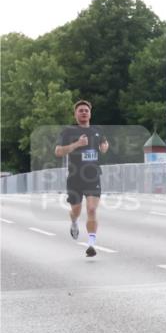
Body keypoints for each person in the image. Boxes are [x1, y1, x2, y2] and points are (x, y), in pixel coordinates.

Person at [54, 100, 109, 257]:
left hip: (93, 177)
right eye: (80, 110)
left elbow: (104, 143)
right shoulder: (68, 132)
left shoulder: (97, 130)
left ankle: (91, 244)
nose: (84, 112)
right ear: (75, 114)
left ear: (90, 113)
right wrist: (77, 144)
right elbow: (58, 152)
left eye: (86, 110)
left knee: (91, 209)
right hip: (75, 177)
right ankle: (73, 221)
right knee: (76, 211)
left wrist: (105, 146)